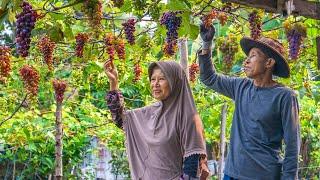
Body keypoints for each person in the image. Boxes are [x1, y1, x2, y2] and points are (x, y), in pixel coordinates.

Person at [198, 24, 300, 180]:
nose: (246, 61)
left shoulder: (285, 96)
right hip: (231, 174)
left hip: (264, 175)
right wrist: (206, 44)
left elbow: (292, 146)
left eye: (253, 55)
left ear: (269, 63)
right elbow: (208, 78)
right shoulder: (241, 86)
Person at [105, 61, 210, 179]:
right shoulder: (151, 113)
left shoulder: (188, 118)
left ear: (174, 82)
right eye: (153, 79)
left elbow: (191, 169)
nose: (155, 84)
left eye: (162, 79)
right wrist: (113, 83)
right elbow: (121, 120)